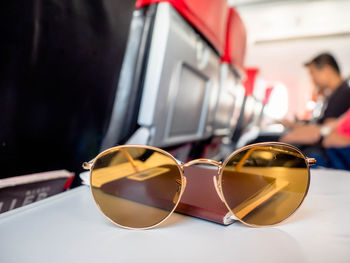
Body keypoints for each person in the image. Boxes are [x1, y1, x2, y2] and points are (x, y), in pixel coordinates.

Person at [280, 53, 350, 143]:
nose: (312, 79)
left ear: (327, 70)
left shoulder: (343, 94)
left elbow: (328, 129)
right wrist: (293, 125)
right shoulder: (332, 94)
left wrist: (299, 131)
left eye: (312, 73)